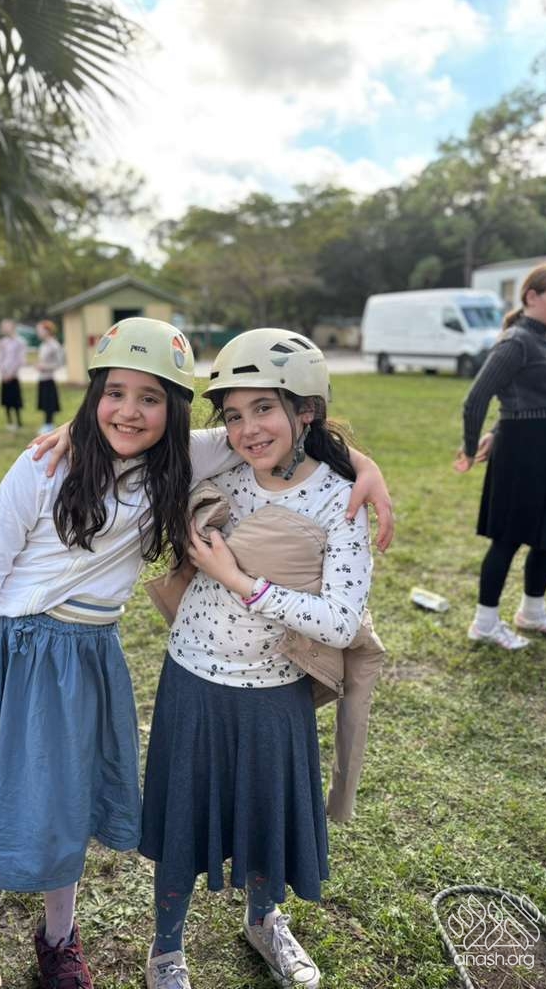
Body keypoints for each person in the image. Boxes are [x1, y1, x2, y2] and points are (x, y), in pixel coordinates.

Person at [0, 317, 248, 989]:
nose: (129, 411)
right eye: (114, 393)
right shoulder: (45, 465)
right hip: (12, 661)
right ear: (93, 394)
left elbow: (257, 437)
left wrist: (359, 466)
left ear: (175, 410)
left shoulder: (178, 462)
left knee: (64, 802)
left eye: (150, 398)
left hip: (88, 660)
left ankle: (59, 940)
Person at [134, 330, 373, 989]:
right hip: (192, 677)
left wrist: (241, 582)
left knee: (267, 817)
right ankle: (165, 950)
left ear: (306, 410)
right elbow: (144, 446)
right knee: (183, 824)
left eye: (264, 408)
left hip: (276, 687)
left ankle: (264, 921)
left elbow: (340, 620)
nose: (247, 430)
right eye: (233, 415)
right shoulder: (222, 475)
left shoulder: (342, 499)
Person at [454, 262, 546, 650]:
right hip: (523, 454)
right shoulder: (516, 341)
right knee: (509, 539)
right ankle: (484, 623)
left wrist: (497, 429)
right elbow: (476, 399)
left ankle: (532, 612)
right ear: (531, 297)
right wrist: (470, 448)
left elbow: (529, 397)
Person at [36, 319, 65, 433]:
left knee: (49, 403)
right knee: (44, 402)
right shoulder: (43, 345)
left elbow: (59, 363)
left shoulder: (54, 345)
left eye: (40, 330)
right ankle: (46, 423)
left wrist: (45, 367)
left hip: (49, 378)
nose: (38, 332)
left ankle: (49, 424)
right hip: (42, 378)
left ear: (47, 331)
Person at [0, 319, 26, 430]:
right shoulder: (2, 342)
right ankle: (9, 421)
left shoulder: (20, 342)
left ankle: (19, 422)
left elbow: (21, 359)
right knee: (6, 399)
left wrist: (12, 373)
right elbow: (0, 358)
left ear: (12, 327)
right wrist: (3, 372)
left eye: (6, 326)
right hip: (4, 375)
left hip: (13, 376)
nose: (4, 329)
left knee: (15, 399)